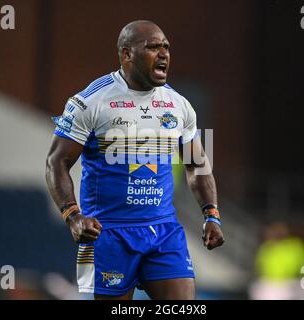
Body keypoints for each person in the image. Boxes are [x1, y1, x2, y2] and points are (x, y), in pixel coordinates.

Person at [46, 20, 224, 300]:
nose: (163, 53)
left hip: (163, 230)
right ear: (127, 54)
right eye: (153, 47)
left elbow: (196, 165)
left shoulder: (180, 106)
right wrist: (72, 216)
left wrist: (211, 214)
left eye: (166, 47)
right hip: (108, 233)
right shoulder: (91, 102)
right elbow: (56, 162)